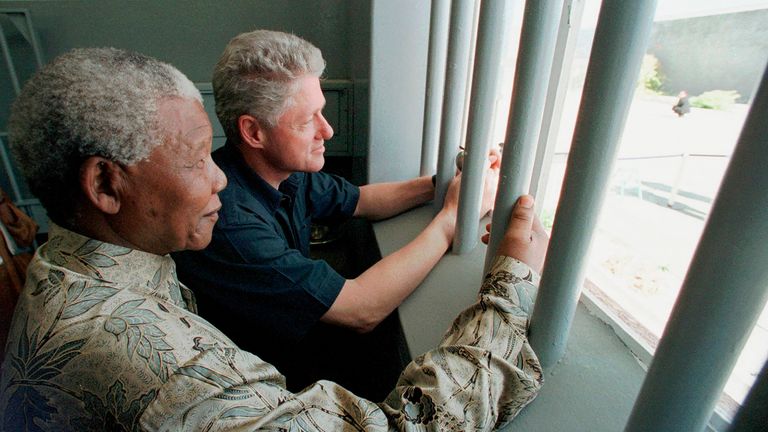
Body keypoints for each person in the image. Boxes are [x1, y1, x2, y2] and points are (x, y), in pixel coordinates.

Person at [0, 47, 548, 431]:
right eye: (194, 160)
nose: (216, 176)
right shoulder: (156, 363)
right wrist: (510, 283)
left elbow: (356, 199)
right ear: (104, 184)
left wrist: (448, 185)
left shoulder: (86, 262)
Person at [172, 29, 502, 398]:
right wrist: (451, 221)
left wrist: (444, 183)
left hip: (298, 349)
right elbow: (362, 310)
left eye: (322, 112)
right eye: (307, 121)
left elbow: (361, 200)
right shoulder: (230, 223)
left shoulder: (283, 171)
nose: (327, 131)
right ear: (253, 132)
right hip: (272, 387)